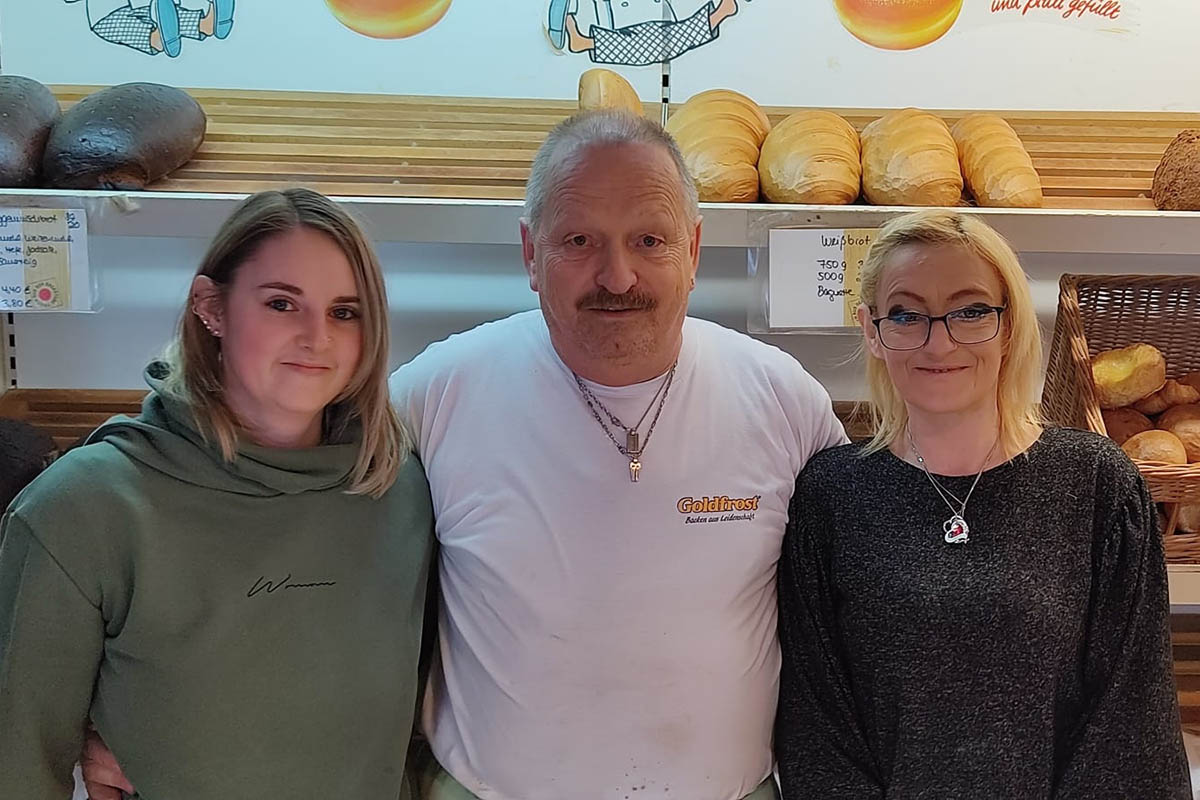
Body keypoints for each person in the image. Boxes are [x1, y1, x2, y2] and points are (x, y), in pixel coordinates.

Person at [391, 109, 847, 800]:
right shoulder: (437, 392)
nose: (618, 275)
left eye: (649, 239)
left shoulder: (784, 399)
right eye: (579, 239)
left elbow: (853, 601)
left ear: (693, 251)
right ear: (529, 254)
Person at [0, 188, 434, 798]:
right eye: (283, 304)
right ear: (212, 307)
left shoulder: (399, 488)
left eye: (345, 311)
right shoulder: (83, 509)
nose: (318, 337)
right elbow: (17, 760)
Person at [774, 209, 1191, 798]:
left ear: (1011, 325)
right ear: (871, 329)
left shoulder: (1096, 484)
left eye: (971, 311)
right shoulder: (831, 494)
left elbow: (1130, 716)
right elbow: (818, 724)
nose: (937, 340)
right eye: (905, 313)